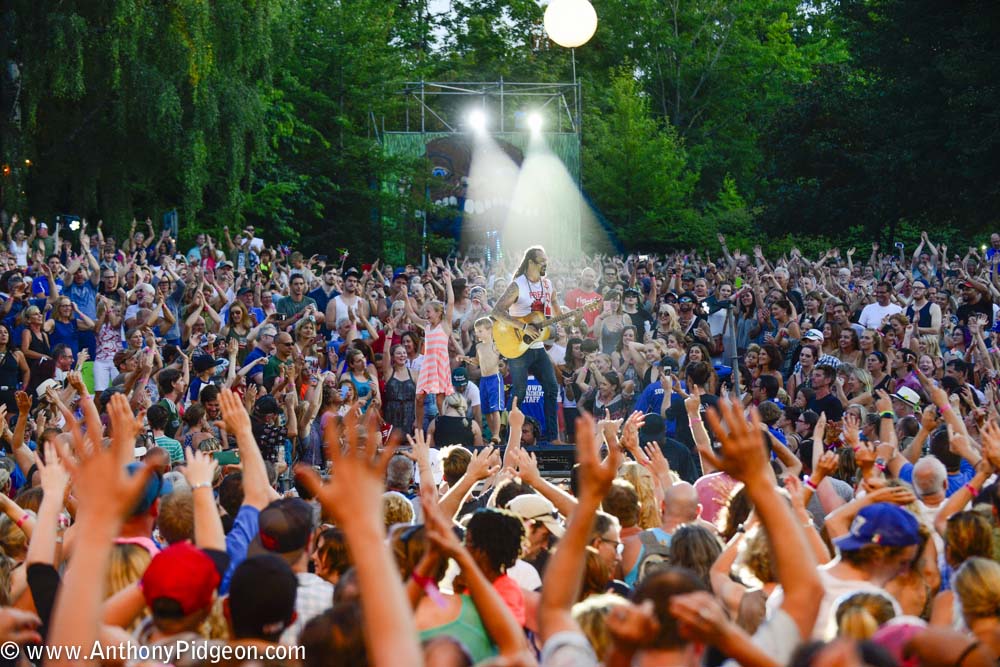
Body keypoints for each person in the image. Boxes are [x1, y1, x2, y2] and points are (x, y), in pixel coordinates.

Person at [491, 246, 561, 442]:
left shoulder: (547, 285)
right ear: (531, 262)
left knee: (552, 388)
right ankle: (506, 436)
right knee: (518, 393)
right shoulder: (517, 285)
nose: (545, 265)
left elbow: (547, 312)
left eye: (547, 262)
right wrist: (522, 327)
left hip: (538, 347)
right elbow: (497, 312)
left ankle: (552, 436)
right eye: (542, 262)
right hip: (518, 347)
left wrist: (559, 323)